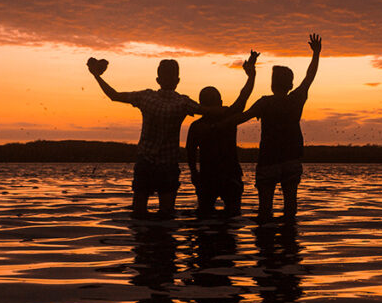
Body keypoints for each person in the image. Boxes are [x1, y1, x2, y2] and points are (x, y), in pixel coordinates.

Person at [87, 57, 201, 219]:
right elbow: (209, 111)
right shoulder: (183, 102)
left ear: (158, 79)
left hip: (145, 163)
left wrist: (96, 75)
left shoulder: (146, 97)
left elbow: (114, 95)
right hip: (168, 166)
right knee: (167, 215)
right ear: (178, 80)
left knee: (139, 213)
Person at [232, 34, 321, 222]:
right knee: (290, 208)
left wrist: (218, 123)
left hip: (268, 161)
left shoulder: (265, 103)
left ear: (272, 84)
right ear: (290, 84)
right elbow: (310, 76)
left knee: (265, 210)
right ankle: (289, 242)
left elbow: (242, 117)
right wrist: (316, 54)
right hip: (290, 161)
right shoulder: (295, 99)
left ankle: (266, 244)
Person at [186, 51, 259, 218]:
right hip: (228, 175)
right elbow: (244, 96)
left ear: (201, 105)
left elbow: (190, 153)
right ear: (219, 101)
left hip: (209, 176)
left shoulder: (197, 126)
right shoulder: (229, 115)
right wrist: (251, 75)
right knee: (232, 216)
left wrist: (193, 172)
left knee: (204, 216)